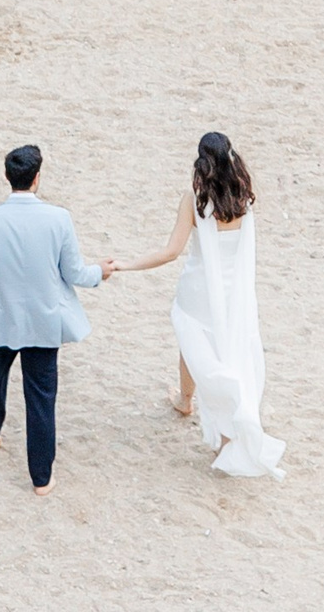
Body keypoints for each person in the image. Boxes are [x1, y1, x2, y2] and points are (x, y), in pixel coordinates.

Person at [111, 131, 285, 478]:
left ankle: (190, 403)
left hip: (199, 292)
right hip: (234, 294)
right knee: (222, 350)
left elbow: (171, 251)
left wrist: (125, 265)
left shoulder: (194, 199)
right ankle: (190, 403)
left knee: (193, 345)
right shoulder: (244, 196)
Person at [0, 143, 104, 494]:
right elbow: (74, 272)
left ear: (6, 177)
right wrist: (100, 273)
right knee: (42, 395)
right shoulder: (59, 218)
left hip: (1, 319)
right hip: (44, 321)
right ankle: (41, 478)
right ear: (38, 178)